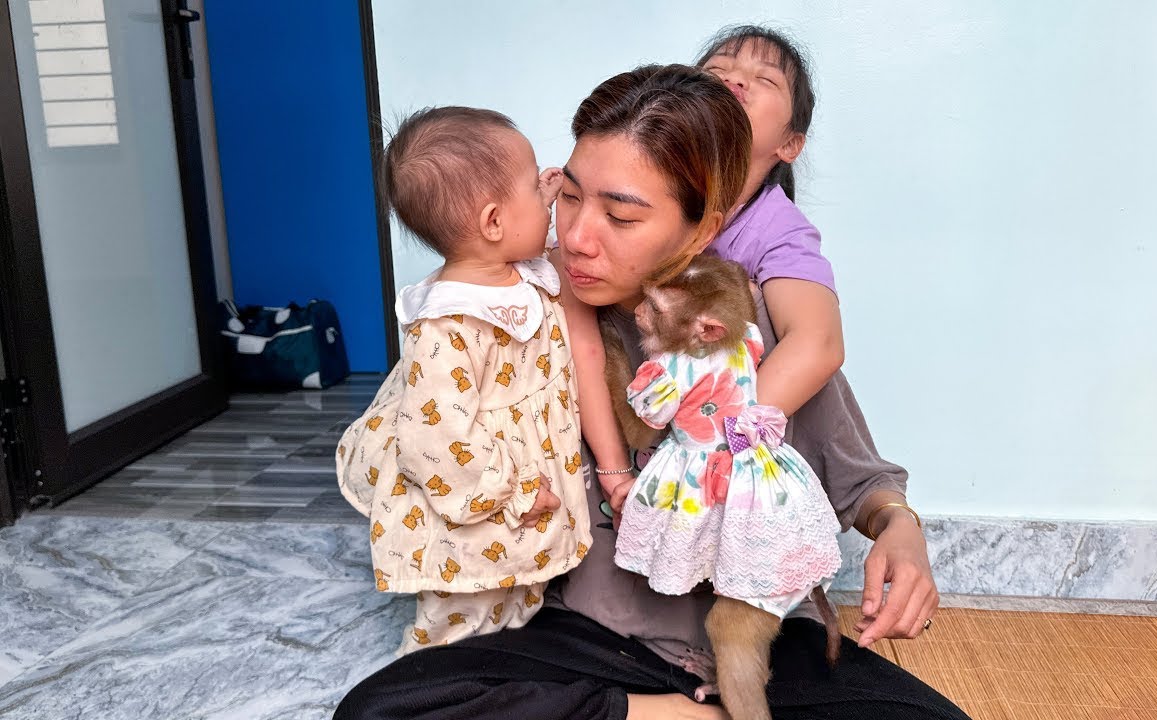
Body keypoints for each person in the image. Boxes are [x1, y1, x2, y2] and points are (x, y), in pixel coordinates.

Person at [335, 67, 968, 720]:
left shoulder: (752, 327)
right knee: (384, 710)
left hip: (761, 652)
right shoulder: (515, 316)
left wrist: (901, 531)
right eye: (569, 197)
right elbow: (415, 440)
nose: (578, 236)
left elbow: (866, 487)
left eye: (620, 214)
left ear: (699, 230)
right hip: (584, 644)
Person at [335, 106, 591, 657]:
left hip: (518, 493)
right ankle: (430, 687)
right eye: (533, 185)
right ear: (495, 222)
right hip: (480, 495)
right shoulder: (450, 325)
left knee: (513, 597)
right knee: (463, 612)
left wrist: (540, 199)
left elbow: (526, 234)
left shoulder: (514, 271)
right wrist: (516, 491)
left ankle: (506, 663)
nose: (546, 197)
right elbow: (436, 443)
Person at [574, 27, 849, 526]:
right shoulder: (630, 179)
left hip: (704, 435)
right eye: (719, 71)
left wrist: (713, 438)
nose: (735, 82)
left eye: (763, 80)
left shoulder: (776, 228)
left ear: (790, 143)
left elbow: (819, 343)